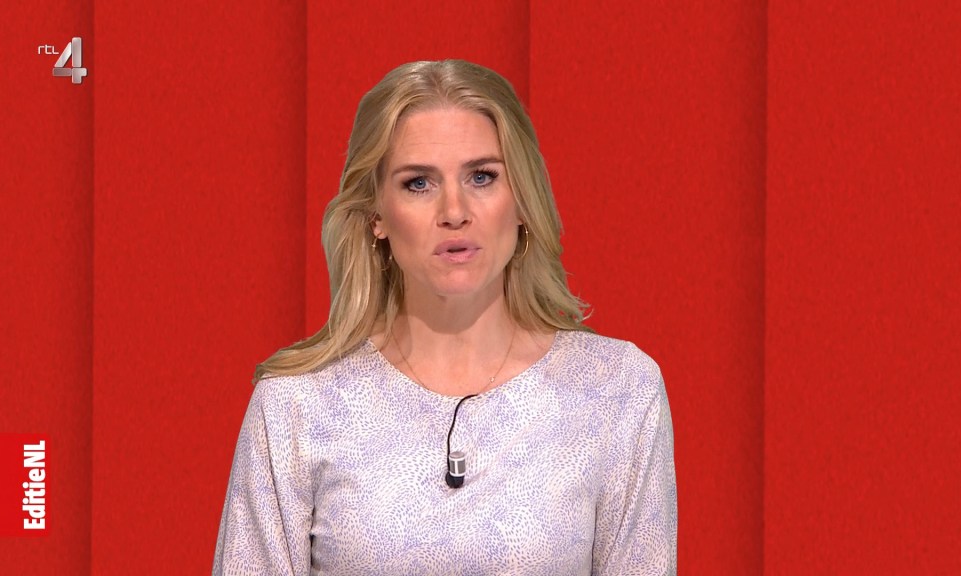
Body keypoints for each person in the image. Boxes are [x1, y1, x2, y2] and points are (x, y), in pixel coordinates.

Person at [213, 59, 677, 575]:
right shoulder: (295, 406)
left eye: (482, 177)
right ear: (376, 215)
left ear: (522, 200)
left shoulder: (617, 390)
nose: (454, 211)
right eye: (419, 183)